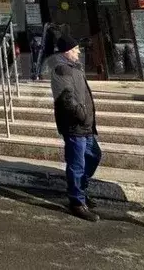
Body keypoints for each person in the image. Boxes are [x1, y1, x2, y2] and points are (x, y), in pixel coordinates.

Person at [47, 34, 101, 222]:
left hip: (85, 125)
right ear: (67, 51)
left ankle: (80, 190)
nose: (79, 51)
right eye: (76, 49)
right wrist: (82, 114)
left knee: (94, 156)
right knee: (77, 164)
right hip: (74, 125)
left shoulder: (73, 67)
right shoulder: (61, 69)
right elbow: (66, 98)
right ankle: (77, 201)